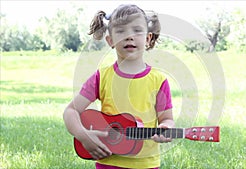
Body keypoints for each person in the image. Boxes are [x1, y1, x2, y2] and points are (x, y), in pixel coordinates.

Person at [63, 4, 175, 169]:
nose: (129, 36)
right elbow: (70, 111)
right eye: (121, 31)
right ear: (111, 41)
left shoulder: (158, 80)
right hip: (108, 161)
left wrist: (166, 127)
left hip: (146, 164)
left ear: (148, 38)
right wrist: (83, 136)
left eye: (137, 30)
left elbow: (166, 118)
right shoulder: (101, 77)